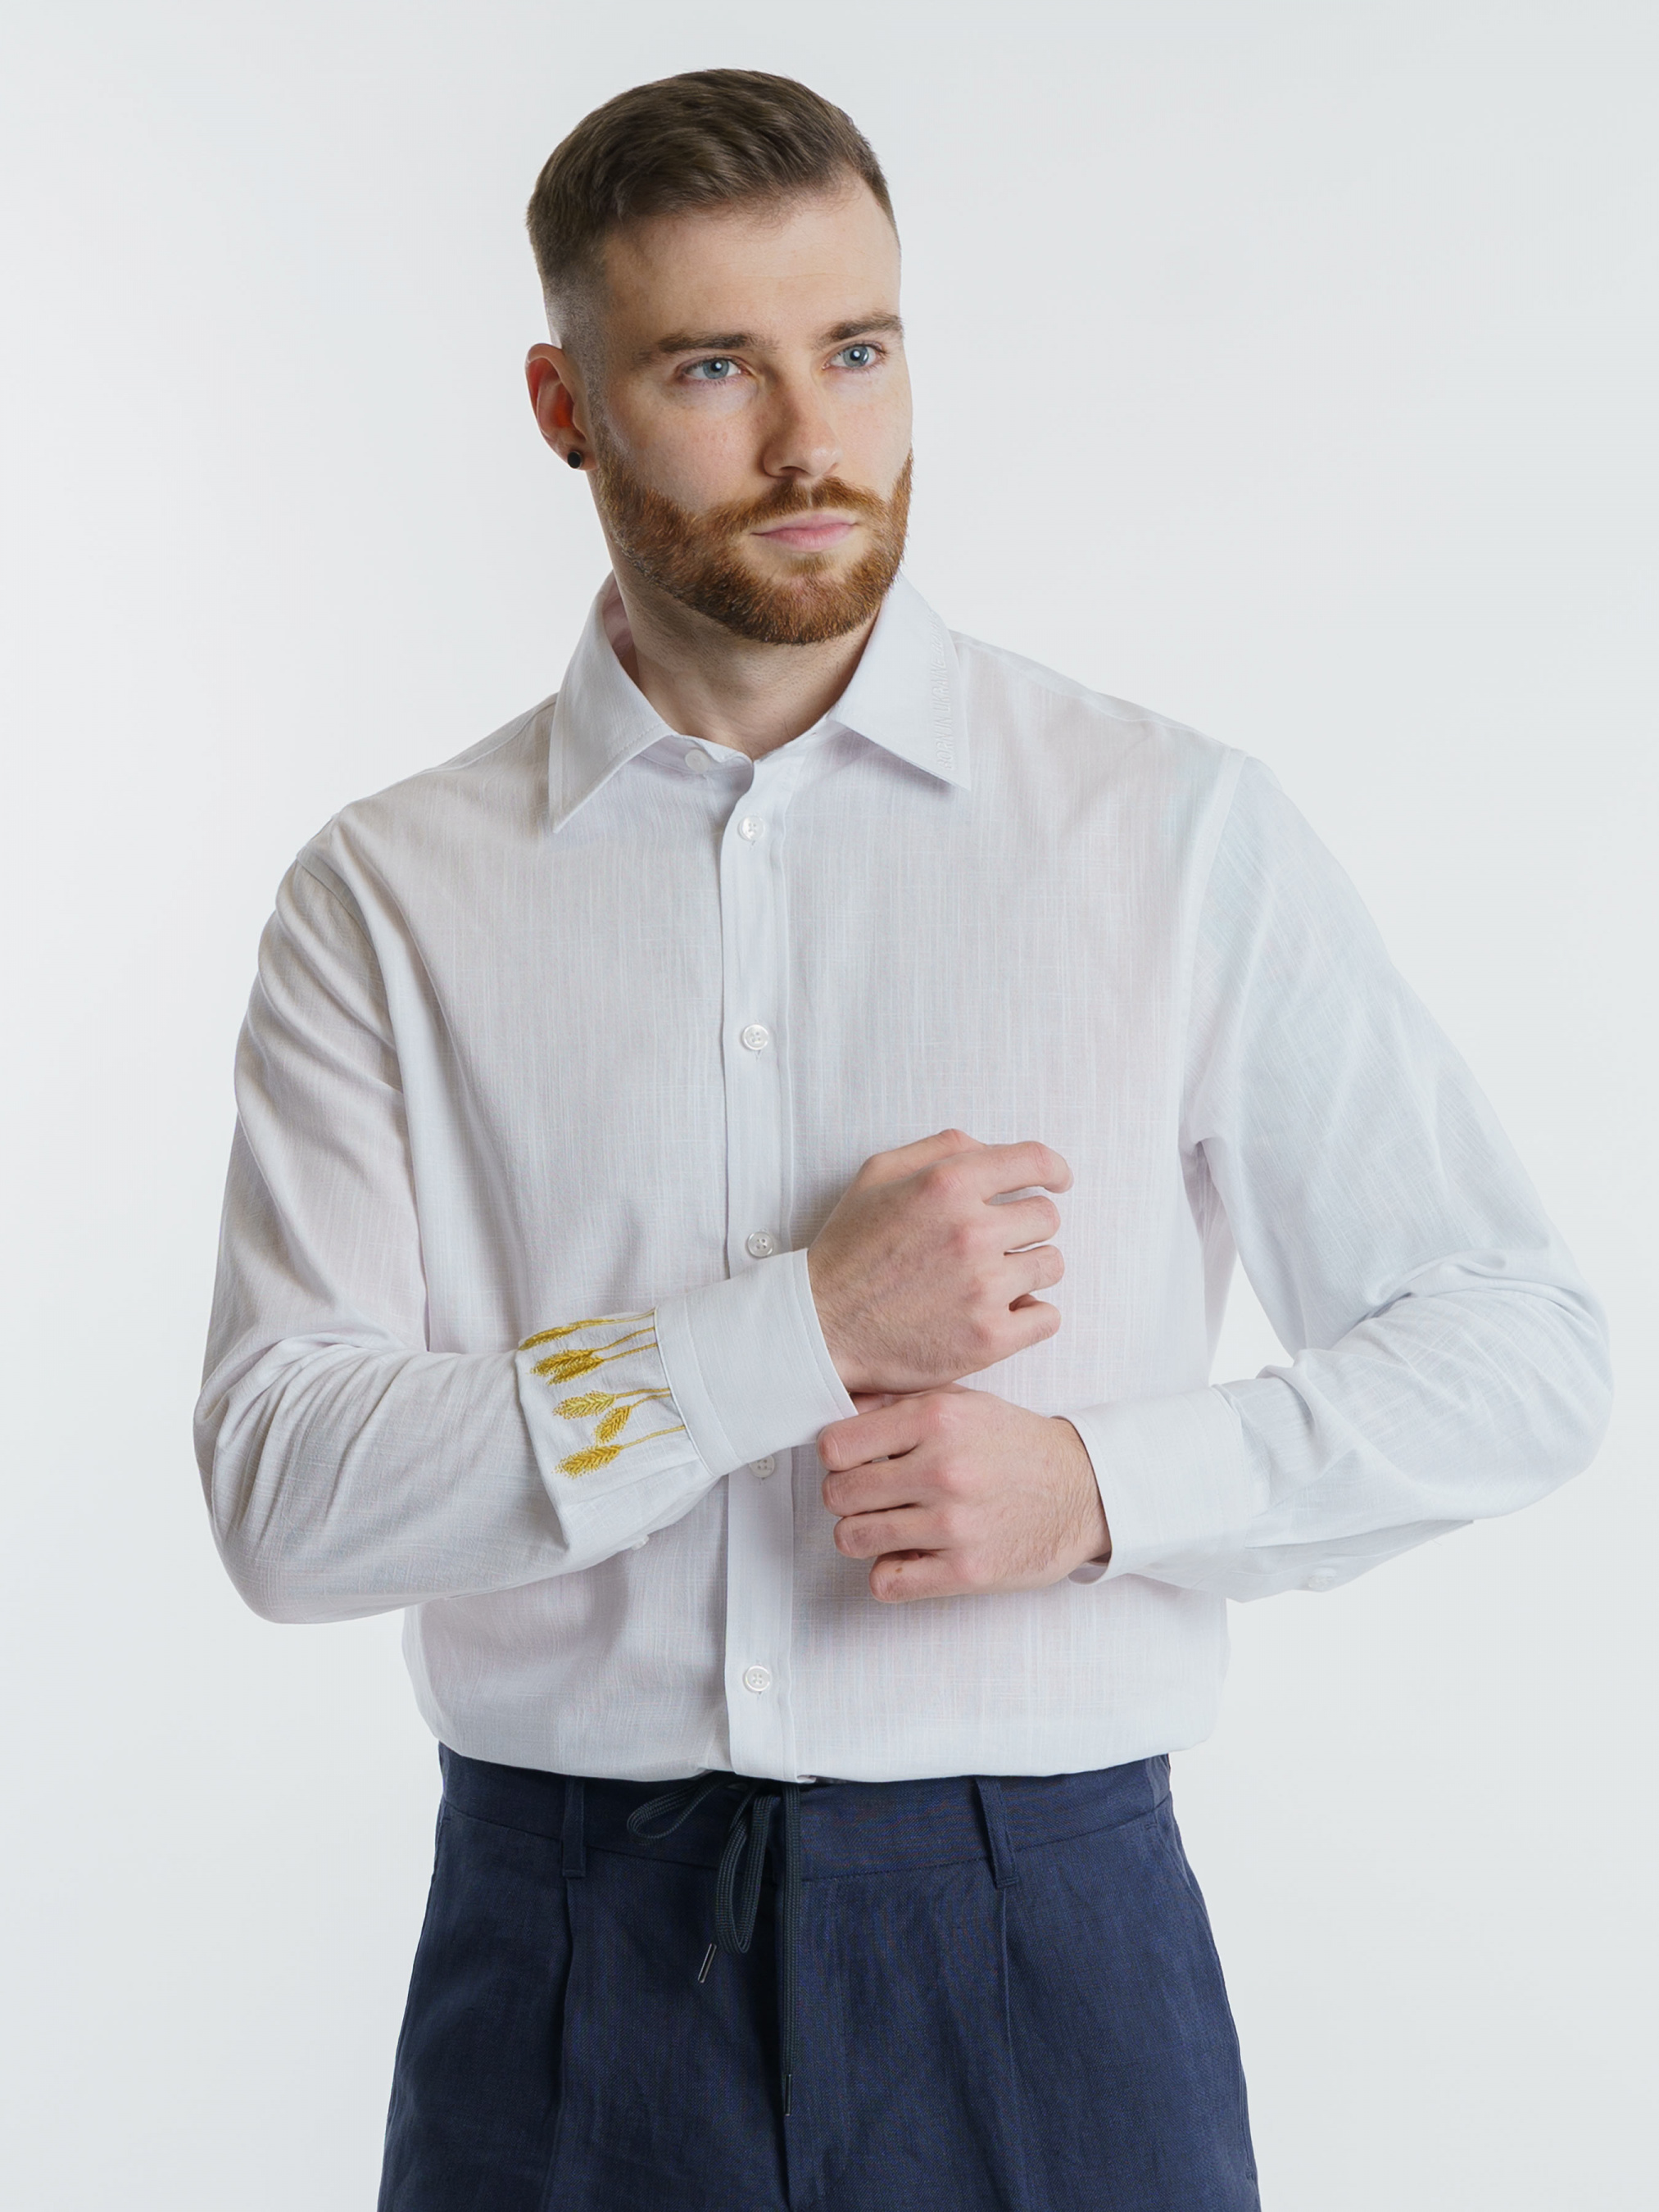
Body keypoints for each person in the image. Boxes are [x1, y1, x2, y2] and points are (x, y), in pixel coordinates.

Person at [195, 67, 1611, 2212]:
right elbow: (286, 1496)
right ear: (564, 406)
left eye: (856, 350)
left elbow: (1515, 1346)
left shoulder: (1163, 828)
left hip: (1049, 1940)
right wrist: (790, 1333)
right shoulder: (390, 897)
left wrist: (1098, 1489)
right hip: (562, 1957)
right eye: (712, 368)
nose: (810, 442)